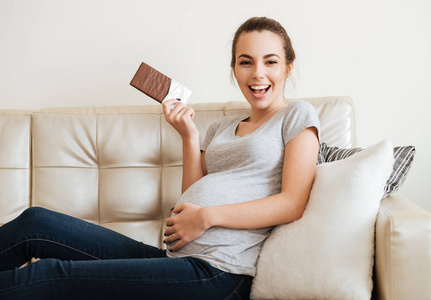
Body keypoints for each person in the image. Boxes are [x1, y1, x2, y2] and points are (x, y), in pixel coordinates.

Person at [0, 16, 320, 300]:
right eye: (246, 62)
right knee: (37, 223)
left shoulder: (296, 115)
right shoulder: (221, 127)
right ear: (234, 68)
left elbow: (292, 203)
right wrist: (188, 136)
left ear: (288, 67)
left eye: (271, 61)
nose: (257, 74)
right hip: (175, 261)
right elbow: (191, 195)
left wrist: (208, 217)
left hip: (219, 275)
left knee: (51, 275)